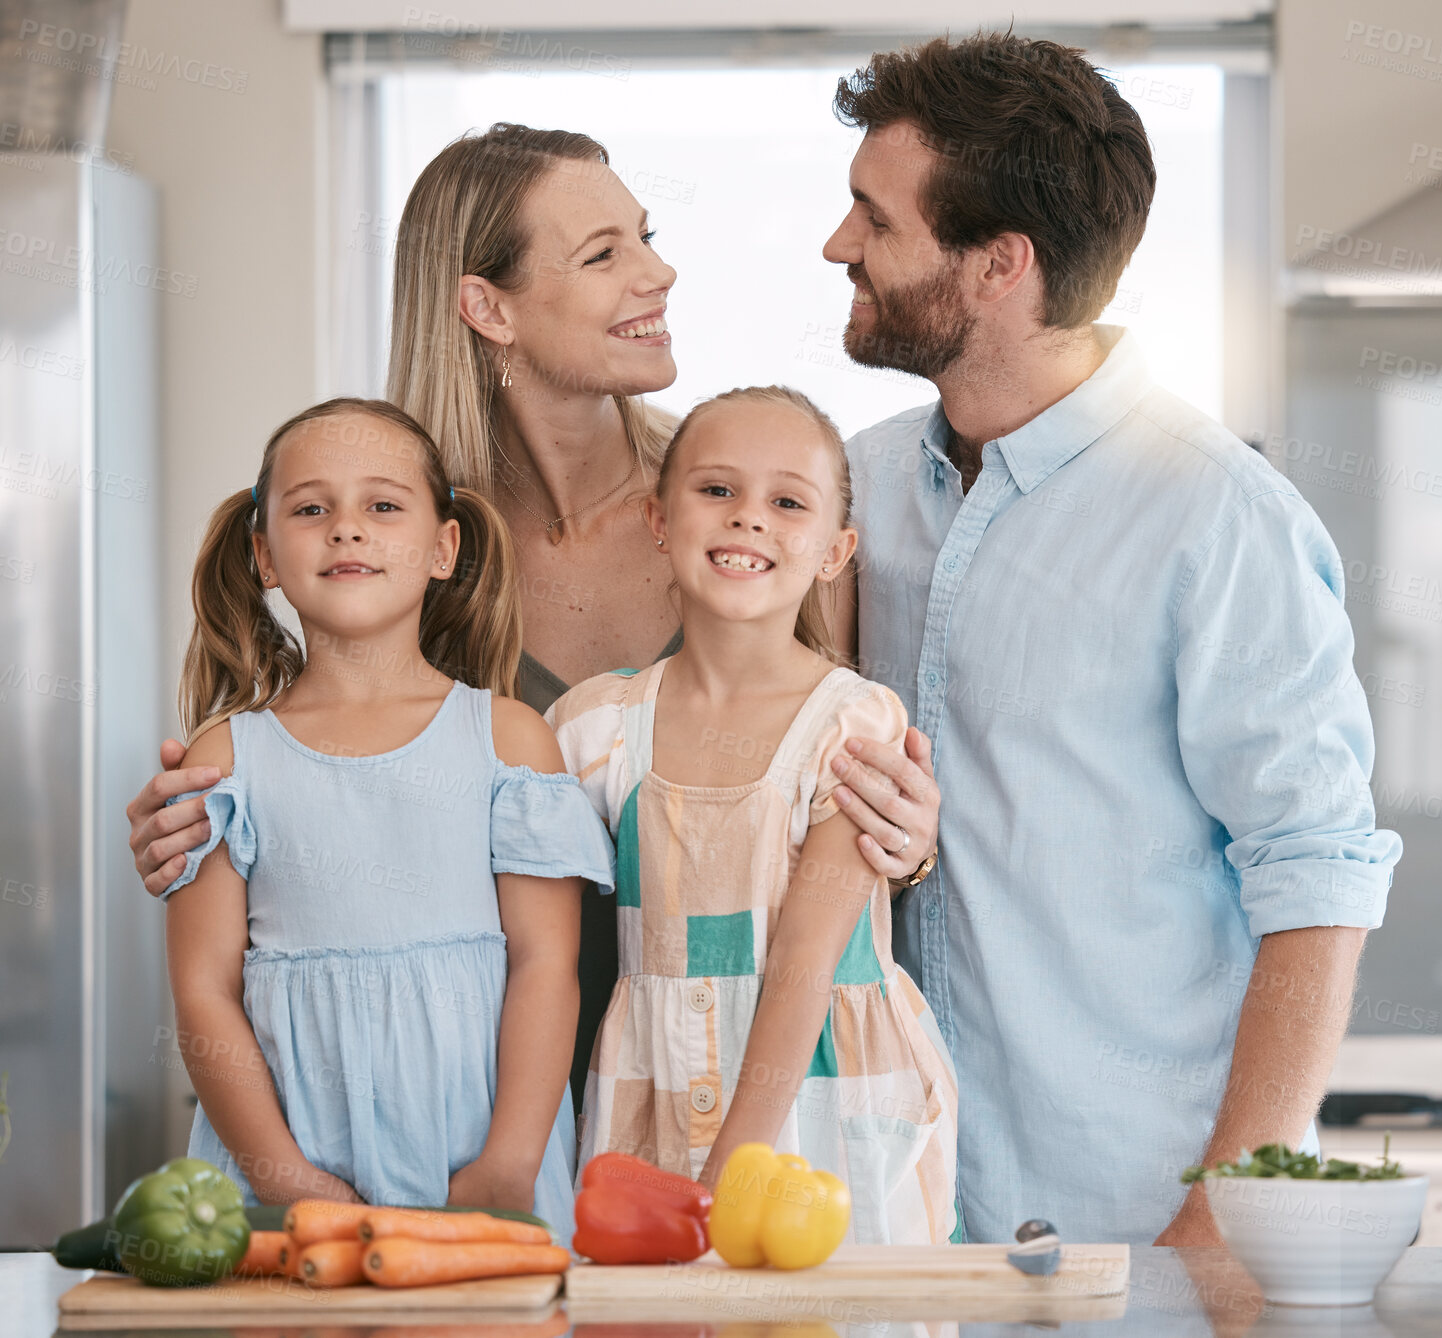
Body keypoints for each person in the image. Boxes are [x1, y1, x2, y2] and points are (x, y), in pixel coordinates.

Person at [127, 126, 943, 1109]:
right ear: (486, 305)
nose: (661, 272)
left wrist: (905, 839)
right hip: (488, 1097)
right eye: (606, 255)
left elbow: (834, 776)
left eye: (646, 236)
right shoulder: (401, 547)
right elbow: (323, 799)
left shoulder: (758, 518)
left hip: (754, 1087)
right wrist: (204, 829)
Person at [823, 32, 1403, 1245]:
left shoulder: (1215, 518)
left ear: (999, 264)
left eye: (874, 221)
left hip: (1126, 1236)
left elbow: (1315, 871)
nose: (840, 247)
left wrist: (1232, 1211)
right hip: (881, 1224)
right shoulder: (854, 491)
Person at [157, 397, 615, 1244]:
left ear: (444, 548)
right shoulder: (226, 757)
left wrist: (510, 1163)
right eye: (310, 508)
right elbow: (203, 993)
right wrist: (284, 1177)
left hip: (483, 1166)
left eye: (383, 505)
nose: (346, 531)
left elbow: (546, 965)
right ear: (263, 553)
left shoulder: (509, 739)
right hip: (284, 1181)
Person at [548, 386, 957, 1245]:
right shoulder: (592, 728)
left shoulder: (853, 721)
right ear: (659, 519)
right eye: (717, 491)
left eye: (787, 502)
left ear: (836, 550)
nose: (748, 521)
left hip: (826, 1099)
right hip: (649, 1088)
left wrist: (729, 1173)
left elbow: (807, 962)